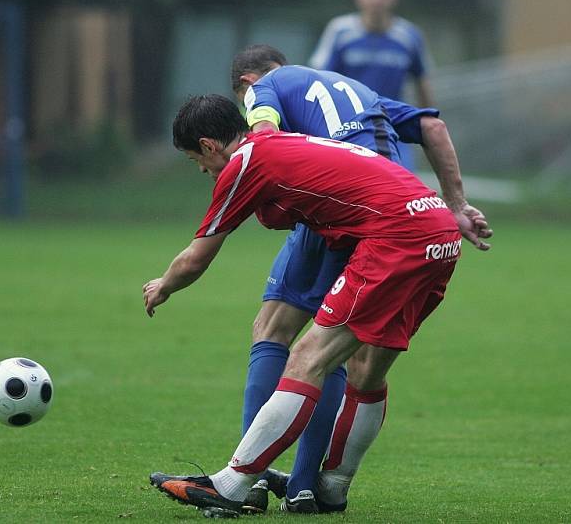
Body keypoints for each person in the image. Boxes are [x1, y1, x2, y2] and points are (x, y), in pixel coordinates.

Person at [145, 94, 492, 516]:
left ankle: (232, 485)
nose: (201, 170)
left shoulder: (245, 161)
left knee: (308, 358)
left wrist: (164, 284)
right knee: (366, 371)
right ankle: (331, 487)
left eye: (195, 160)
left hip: (399, 237)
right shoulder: (283, 143)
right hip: (437, 229)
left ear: (209, 145)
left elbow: (198, 256)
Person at [228, 44, 489, 514]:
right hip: (410, 217)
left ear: (247, 83)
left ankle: (248, 483)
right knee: (354, 357)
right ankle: (313, 486)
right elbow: (432, 125)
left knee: (279, 331)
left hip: (348, 211)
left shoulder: (262, 89)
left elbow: (262, 136)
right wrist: (456, 204)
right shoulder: (356, 90)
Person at [309, 0, 434, 170]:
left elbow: (423, 80)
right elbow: (319, 78)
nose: (376, 1)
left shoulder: (409, 35)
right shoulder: (340, 31)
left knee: (403, 183)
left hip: (394, 124)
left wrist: (426, 126)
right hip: (349, 124)